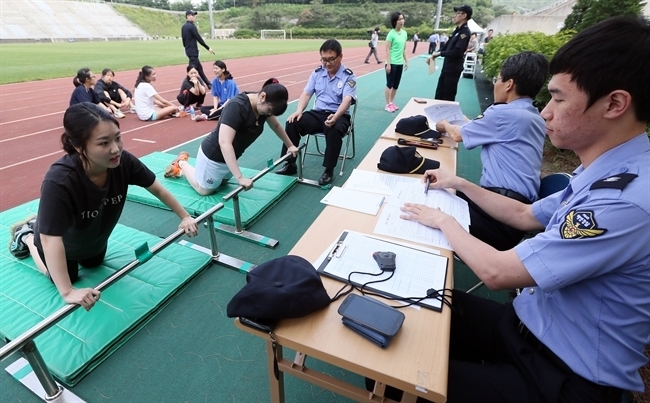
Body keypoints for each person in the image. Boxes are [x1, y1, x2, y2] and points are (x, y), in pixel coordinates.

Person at [398, 16, 649, 402]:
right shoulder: (605, 169)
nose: (546, 112)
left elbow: (497, 273)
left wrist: (444, 219)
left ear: (614, 103)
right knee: (412, 312)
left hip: (563, 377)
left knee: (400, 382)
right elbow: (524, 215)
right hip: (528, 328)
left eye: (560, 98)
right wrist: (461, 183)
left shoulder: (625, 199)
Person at [8, 103, 198, 311]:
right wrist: (68, 291)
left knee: (93, 263)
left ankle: (43, 222)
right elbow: (50, 239)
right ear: (79, 147)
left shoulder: (123, 162)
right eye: (103, 143)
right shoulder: (60, 180)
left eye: (117, 137)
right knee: (63, 276)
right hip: (60, 243)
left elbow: (158, 189)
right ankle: (26, 234)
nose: (115, 149)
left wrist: (185, 216)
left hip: (93, 239)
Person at [434, 51, 549, 251]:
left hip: (497, 218)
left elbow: (458, 135)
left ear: (509, 84)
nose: (496, 84)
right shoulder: (533, 116)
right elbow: (489, 130)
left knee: (431, 204)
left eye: (498, 79)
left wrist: (444, 124)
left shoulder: (502, 113)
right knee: (442, 193)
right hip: (517, 215)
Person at [164, 79, 299, 195]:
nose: (269, 114)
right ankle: (181, 163)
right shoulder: (237, 106)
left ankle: (198, 169)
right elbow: (224, 143)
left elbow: (276, 126)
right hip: (214, 155)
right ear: (262, 96)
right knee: (204, 190)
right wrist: (239, 177)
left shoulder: (263, 107)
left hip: (230, 157)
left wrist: (290, 145)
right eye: (269, 111)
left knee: (222, 184)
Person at [274, 39, 357, 186]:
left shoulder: (348, 76)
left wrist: (336, 116)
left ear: (340, 57)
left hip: (339, 115)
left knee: (333, 128)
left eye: (331, 59)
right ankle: (290, 163)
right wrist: (298, 111)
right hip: (318, 113)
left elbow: (347, 100)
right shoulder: (317, 73)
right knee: (292, 122)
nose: (327, 63)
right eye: (324, 60)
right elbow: (306, 94)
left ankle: (328, 170)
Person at [428, 5, 472, 101]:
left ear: (464, 15)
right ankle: (437, 115)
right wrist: (434, 54)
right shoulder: (456, 30)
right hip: (447, 67)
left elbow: (457, 52)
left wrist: (440, 54)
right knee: (439, 94)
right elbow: (446, 45)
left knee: (448, 96)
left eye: (457, 13)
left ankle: (447, 116)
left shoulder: (465, 32)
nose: (454, 16)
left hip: (454, 69)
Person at [181, 10, 215, 89]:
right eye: (193, 15)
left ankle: (208, 84)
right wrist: (208, 47)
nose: (194, 17)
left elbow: (183, 40)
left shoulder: (183, 27)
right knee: (192, 70)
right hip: (193, 51)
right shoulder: (191, 26)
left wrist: (187, 48)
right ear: (188, 16)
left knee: (199, 68)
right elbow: (198, 38)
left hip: (189, 50)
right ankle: (188, 85)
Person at [384, 12, 408, 113]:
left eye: (402, 19)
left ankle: (392, 102)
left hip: (399, 63)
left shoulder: (404, 33)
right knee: (389, 84)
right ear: (395, 21)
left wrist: (406, 61)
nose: (402, 21)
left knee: (396, 85)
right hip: (391, 63)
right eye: (399, 19)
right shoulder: (391, 34)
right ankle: (388, 104)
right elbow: (387, 50)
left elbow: (404, 49)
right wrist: (388, 64)